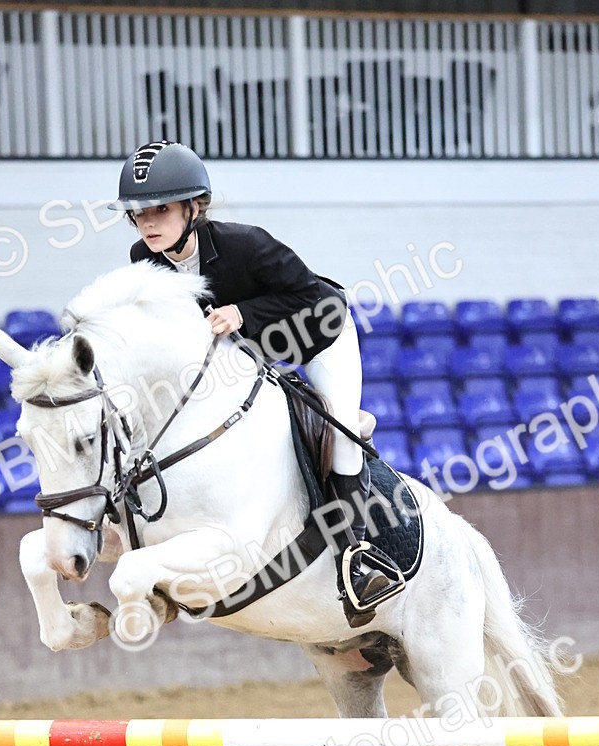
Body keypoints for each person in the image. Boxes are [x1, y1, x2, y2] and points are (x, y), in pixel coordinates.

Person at [109, 140, 404, 628]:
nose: (148, 222)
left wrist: (243, 313)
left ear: (194, 207)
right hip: (247, 356)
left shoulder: (246, 243)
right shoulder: (145, 257)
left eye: (161, 209)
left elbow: (313, 297)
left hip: (320, 335)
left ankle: (361, 560)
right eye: (139, 212)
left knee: (343, 442)